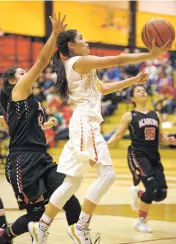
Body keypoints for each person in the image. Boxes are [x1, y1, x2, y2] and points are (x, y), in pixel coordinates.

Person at [28, 28, 172, 244]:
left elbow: (102, 88)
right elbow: (119, 58)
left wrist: (132, 81)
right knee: (107, 176)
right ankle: (81, 226)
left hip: (82, 123)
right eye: (81, 39)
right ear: (71, 46)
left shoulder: (79, 67)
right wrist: (150, 55)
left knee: (71, 183)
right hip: (86, 123)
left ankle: (41, 228)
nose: (87, 42)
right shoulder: (79, 62)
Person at [0, 13, 81, 244]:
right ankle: (5, 235)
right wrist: (55, 33)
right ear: (13, 81)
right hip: (22, 161)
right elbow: (42, 61)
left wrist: (44, 124)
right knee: (35, 215)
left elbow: (21, 126)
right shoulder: (18, 92)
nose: (27, 74)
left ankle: (80, 237)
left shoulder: (29, 101)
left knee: (68, 197)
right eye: (21, 74)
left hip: (40, 157)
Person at [107, 84, 176, 233]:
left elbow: (161, 138)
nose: (143, 91)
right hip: (138, 154)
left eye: (143, 89)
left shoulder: (155, 114)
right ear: (132, 98)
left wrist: (169, 140)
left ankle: (137, 193)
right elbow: (117, 136)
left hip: (153, 156)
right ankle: (141, 221)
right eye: (138, 90)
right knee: (151, 186)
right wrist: (104, 146)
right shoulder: (129, 115)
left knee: (161, 193)